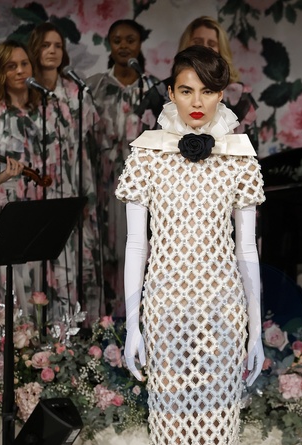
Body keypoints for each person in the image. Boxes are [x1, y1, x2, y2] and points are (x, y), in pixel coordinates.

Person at [116, 46, 265, 445]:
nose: (197, 102)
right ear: (170, 93)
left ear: (222, 93)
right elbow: (136, 246)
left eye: (207, 90)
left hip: (222, 315)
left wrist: (255, 331)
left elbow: (248, 253)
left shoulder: (239, 157)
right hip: (164, 315)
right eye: (185, 90)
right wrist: (133, 326)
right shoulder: (147, 154)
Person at [27, 22, 102, 320]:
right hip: (35, 184)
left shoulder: (75, 92)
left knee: (69, 257)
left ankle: (70, 327)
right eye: (46, 45)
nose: (52, 51)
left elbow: (87, 142)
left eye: (58, 46)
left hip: (70, 181)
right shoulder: (26, 92)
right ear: (35, 49)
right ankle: (33, 328)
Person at [87, 19, 159, 317]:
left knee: (140, 245)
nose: (124, 46)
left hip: (145, 183)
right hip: (104, 181)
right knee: (105, 250)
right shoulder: (94, 86)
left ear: (139, 44)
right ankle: (106, 323)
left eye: (130, 40)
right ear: (110, 44)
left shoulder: (153, 87)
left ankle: (140, 317)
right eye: (117, 40)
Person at [0, 40, 44, 315]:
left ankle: (29, 338)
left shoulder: (43, 113)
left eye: (24, 64)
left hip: (32, 203)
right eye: (11, 66)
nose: (20, 71)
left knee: (30, 274)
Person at [137, 16, 259, 149]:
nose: (204, 48)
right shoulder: (158, 92)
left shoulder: (240, 97)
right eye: (198, 42)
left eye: (211, 44)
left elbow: (250, 149)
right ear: (172, 94)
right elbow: (143, 145)